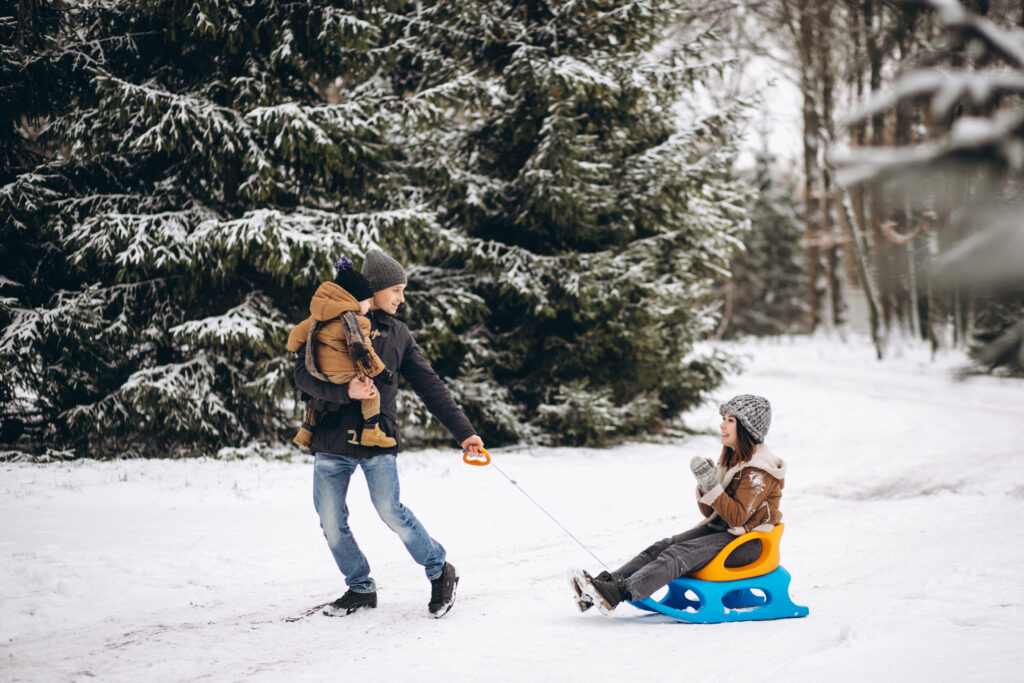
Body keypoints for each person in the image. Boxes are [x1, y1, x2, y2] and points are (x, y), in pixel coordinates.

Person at [291, 248, 486, 619]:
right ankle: (360, 588)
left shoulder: (397, 334)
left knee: (390, 510)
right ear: (375, 289)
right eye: (396, 289)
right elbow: (302, 376)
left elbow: (431, 386)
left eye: (403, 290)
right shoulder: (327, 323)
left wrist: (465, 434)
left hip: (377, 439)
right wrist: (343, 392)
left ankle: (439, 569)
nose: (400, 297)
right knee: (331, 521)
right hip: (331, 441)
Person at [571, 394, 785, 614]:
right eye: (724, 418)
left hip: (747, 544)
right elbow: (711, 512)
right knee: (662, 546)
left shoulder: (758, 470)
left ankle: (618, 592)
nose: (722, 425)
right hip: (725, 533)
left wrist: (711, 485)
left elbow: (737, 518)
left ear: (747, 429)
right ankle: (604, 587)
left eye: (730, 420)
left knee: (678, 553)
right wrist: (706, 485)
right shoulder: (735, 459)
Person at [287, 256, 397, 450]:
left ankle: (306, 429)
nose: (368, 306)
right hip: (346, 374)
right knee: (371, 393)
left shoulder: (317, 318)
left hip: (321, 372)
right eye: (366, 301)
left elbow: (296, 334)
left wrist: (292, 349)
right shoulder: (360, 322)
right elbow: (364, 351)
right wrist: (380, 372)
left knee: (317, 397)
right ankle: (372, 431)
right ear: (353, 300)